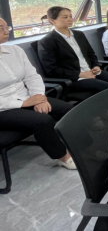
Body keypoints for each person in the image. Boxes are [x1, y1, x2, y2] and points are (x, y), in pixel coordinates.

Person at [0, 18, 76, 170]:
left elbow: (32, 76)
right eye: (1, 28)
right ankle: (62, 157)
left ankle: (84, 145)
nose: (6, 31)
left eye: (7, 27)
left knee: (68, 109)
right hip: (4, 108)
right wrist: (23, 103)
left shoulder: (15, 51)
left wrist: (39, 98)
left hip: (27, 97)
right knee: (43, 121)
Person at [38, 6, 108, 96]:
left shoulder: (79, 34)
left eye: (70, 16)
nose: (70, 19)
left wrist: (96, 66)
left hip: (90, 71)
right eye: (65, 17)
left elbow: (91, 54)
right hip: (73, 78)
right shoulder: (47, 41)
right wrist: (80, 74)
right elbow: (51, 69)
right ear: (52, 20)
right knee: (106, 87)